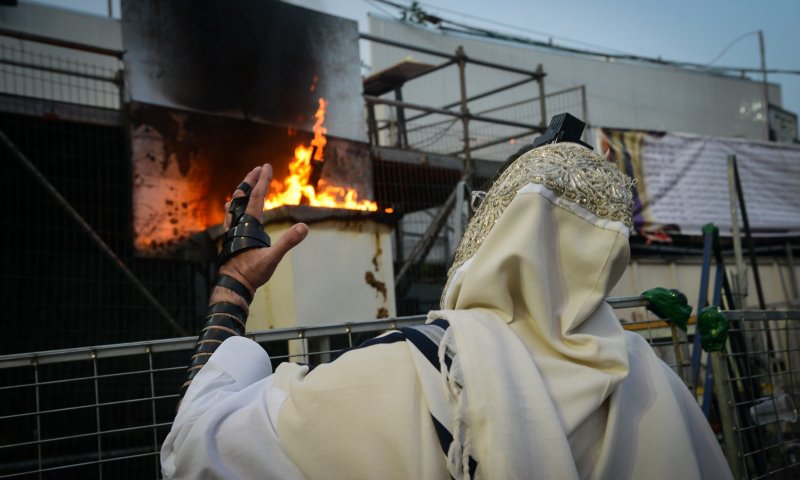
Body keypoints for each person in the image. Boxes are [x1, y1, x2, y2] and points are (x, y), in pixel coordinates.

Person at [161, 143, 734, 479]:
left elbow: (197, 445)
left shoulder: (412, 369)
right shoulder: (652, 381)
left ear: (491, 233)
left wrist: (234, 286)